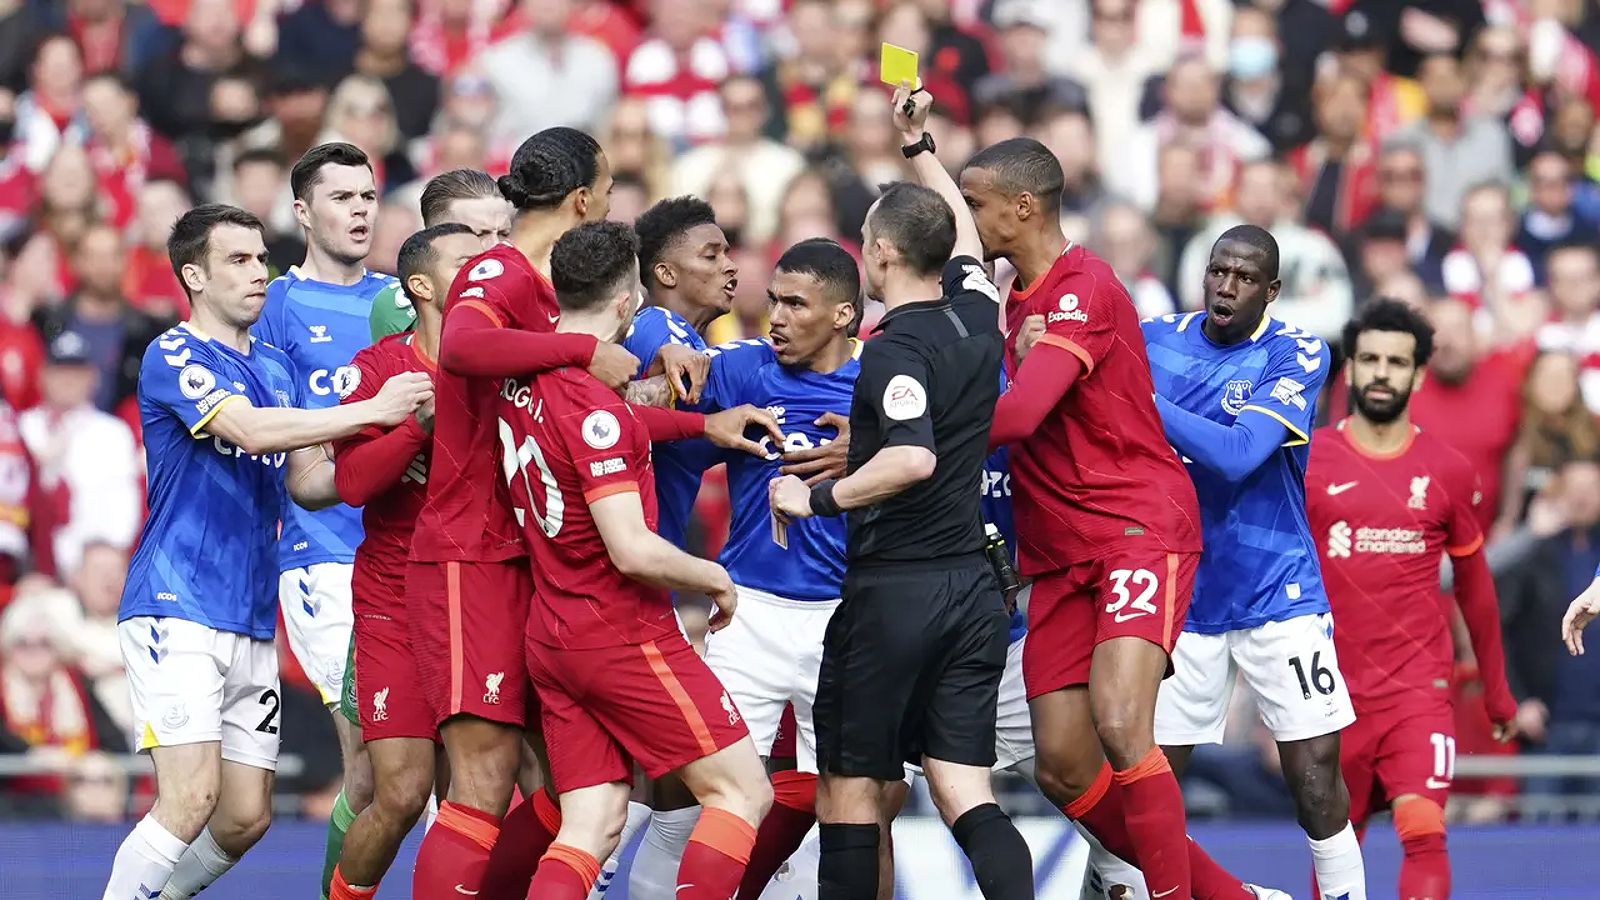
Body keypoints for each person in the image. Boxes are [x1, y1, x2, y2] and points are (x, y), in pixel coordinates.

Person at [407, 126, 774, 896]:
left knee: (590, 807)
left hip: (536, 567)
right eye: (607, 192)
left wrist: (696, 424)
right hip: (470, 551)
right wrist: (582, 356)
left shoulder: (547, 303)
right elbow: (465, 350)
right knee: (481, 779)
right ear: (582, 198)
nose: (611, 205)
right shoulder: (499, 272)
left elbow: (580, 415)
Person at [958, 129, 1270, 898]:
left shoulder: (1082, 288)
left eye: (978, 206)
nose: (968, 219)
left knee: (1125, 726)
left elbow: (1024, 413)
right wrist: (918, 147)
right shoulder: (1015, 297)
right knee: (1064, 764)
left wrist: (910, 427)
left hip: (1136, 527)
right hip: (1058, 551)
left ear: (1022, 207)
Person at [101, 204, 431, 900]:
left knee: (245, 816)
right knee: (189, 799)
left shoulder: (278, 370)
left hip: (248, 613)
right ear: (194, 275)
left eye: (261, 260)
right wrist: (376, 411)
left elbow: (311, 482)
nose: (259, 273)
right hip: (174, 605)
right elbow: (250, 431)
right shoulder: (176, 354)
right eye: (239, 261)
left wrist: (397, 456)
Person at [768, 86, 1031, 900]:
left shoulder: (890, 352)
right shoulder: (979, 315)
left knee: (850, 788)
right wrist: (920, 148)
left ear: (879, 255)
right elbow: (953, 229)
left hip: (896, 592)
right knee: (963, 791)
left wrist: (814, 499)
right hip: (973, 588)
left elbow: (911, 460)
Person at [508, 220, 772, 900]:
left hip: (554, 628)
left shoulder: (524, 383)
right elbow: (629, 547)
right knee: (742, 793)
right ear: (629, 300)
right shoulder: (597, 408)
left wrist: (694, 422)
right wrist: (713, 576)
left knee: (591, 824)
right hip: (619, 629)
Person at [1142, 225, 1365, 900]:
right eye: (1217, 272)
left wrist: (1142, 404)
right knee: (1147, 780)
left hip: (1278, 589)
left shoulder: (1297, 351)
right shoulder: (1152, 339)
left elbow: (1241, 454)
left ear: (1270, 290)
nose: (1225, 287)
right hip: (1184, 591)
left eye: (1243, 278)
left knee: (1315, 775)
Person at [1305, 298, 1517, 900]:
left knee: (1423, 829)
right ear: (1348, 370)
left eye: (1396, 362)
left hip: (1416, 689)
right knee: (1337, 851)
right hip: (1330, 696)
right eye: (1368, 359)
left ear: (1419, 374)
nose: (1381, 372)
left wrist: (1498, 693)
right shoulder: (1308, 462)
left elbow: (1476, 588)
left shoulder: (1447, 470)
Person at [252, 142, 396, 899]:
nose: (361, 210)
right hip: (323, 557)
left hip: (405, 555)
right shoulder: (274, 305)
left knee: (410, 778)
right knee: (372, 764)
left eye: (368, 196)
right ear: (303, 212)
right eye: (342, 198)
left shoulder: (405, 299)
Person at [326, 223, 483, 900]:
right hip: (395, 600)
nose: (483, 268)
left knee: (472, 799)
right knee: (400, 790)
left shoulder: (504, 362)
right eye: (465, 260)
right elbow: (354, 483)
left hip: (480, 600)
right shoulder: (380, 370)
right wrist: (417, 425)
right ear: (421, 285)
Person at [369, 168, 514, 340]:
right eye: (479, 235)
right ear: (433, 237)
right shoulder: (397, 308)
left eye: (504, 233)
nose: (497, 247)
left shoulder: (539, 296)